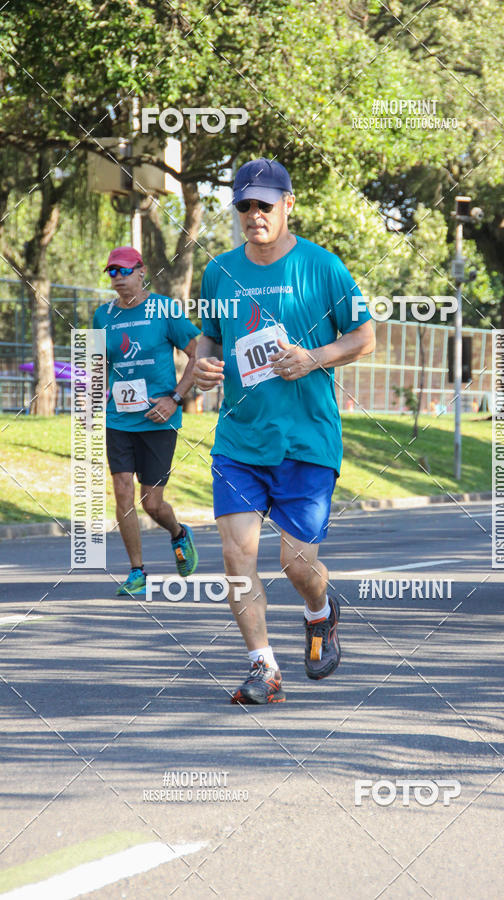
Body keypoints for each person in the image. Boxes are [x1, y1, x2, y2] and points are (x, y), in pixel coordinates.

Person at [193, 158, 375, 704]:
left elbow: (365, 336)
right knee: (236, 556)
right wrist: (202, 365)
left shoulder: (323, 267)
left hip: (307, 441)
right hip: (240, 440)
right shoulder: (218, 271)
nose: (254, 215)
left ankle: (320, 611)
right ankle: (264, 668)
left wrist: (314, 357)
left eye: (264, 205)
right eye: (245, 206)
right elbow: (210, 338)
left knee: (296, 564)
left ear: (288, 204)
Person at [93, 246, 200, 596]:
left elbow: (197, 352)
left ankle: (178, 533)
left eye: (125, 271)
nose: (118, 278)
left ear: (142, 271)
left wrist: (175, 398)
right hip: (119, 419)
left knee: (152, 503)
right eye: (112, 272)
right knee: (122, 490)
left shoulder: (165, 309)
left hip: (158, 418)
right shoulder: (102, 316)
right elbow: (97, 365)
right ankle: (137, 571)